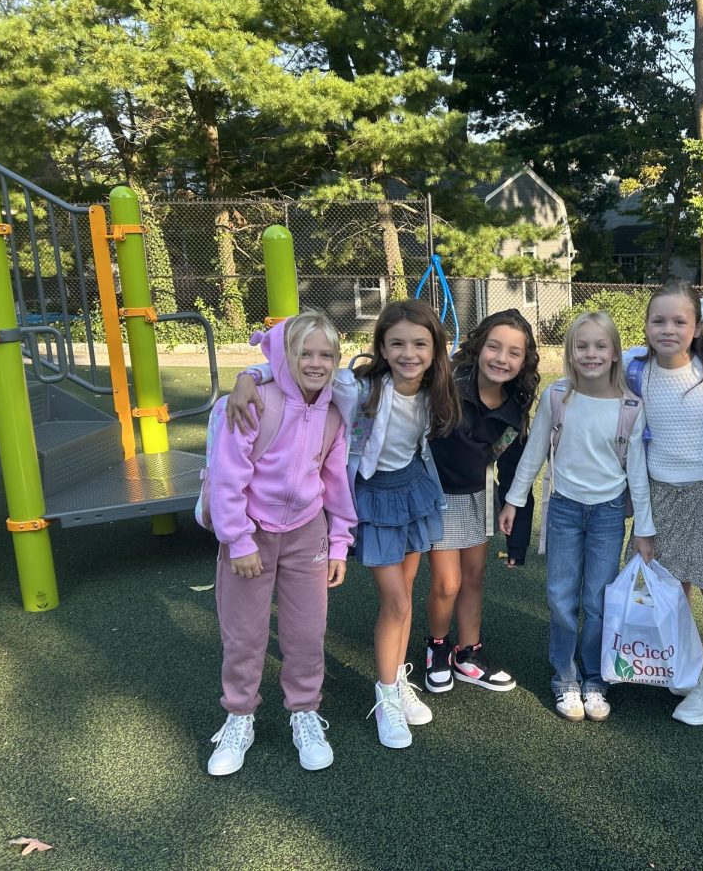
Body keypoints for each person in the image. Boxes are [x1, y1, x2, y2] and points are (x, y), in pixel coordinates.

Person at [227, 300, 459, 750]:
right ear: (382, 348)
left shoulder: (439, 388)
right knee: (395, 600)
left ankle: (394, 681)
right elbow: (293, 365)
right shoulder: (359, 387)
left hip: (412, 490)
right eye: (396, 344)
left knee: (404, 600)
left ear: (435, 349)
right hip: (373, 496)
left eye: (419, 344)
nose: (408, 353)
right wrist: (246, 377)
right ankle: (386, 695)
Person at [206, 311, 356, 776]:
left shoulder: (335, 412)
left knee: (307, 632)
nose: (315, 363)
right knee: (244, 634)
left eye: (326, 355)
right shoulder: (255, 401)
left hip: (307, 533)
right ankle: (239, 717)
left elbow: (335, 482)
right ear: (284, 357)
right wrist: (239, 540)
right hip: (251, 534)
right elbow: (229, 476)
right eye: (304, 353)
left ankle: (305, 713)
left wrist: (338, 543)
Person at [499, 311, 655, 723]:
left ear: (616, 354)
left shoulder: (631, 407)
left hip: (607, 516)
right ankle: (565, 677)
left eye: (600, 346)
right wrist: (514, 500)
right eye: (581, 346)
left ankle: (594, 678)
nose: (591, 354)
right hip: (564, 510)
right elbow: (533, 454)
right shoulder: (557, 396)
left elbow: (637, 472)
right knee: (561, 598)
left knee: (598, 601)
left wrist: (644, 527)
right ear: (570, 352)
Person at [622, 282, 703, 726]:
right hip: (660, 493)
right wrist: (644, 521)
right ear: (646, 326)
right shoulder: (635, 368)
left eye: (679, 321)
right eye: (658, 320)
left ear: (696, 326)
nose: (668, 329)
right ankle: (683, 662)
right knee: (672, 586)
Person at [423, 309, 540, 694]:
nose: (501, 359)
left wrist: (517, 538)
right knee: (447, 583)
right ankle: (437, 648)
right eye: (494, 346)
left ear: (524, 361)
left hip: (476, 498)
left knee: (473, 579)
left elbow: (515, 473)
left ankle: (467, 654)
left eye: (514, 352)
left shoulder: (513, 412)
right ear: (479, 347)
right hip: (436, 498)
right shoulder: (445, 386)